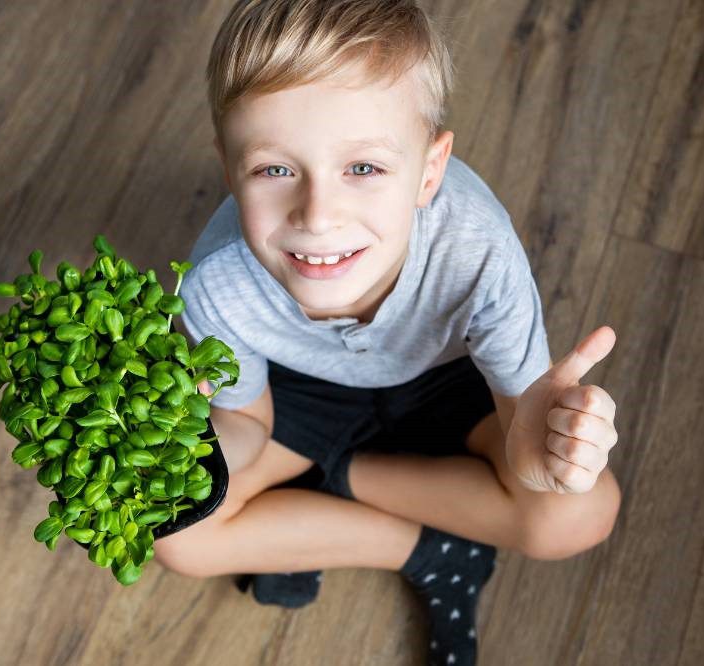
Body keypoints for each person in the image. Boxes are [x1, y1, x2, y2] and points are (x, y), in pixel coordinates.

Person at [154, 2, 623, 665]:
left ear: (429, 172)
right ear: (230, 171)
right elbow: (246, 423)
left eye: (364, 169)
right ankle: (433, 551)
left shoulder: (477, 249)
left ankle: (337, 481)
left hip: (447, 384)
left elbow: (523, 432)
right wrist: (177, 449)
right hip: (299, 396)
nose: (319, 216)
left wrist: (540, 455)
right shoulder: (212, 283)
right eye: (274, 170)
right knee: (177, 537)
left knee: (582, 514)